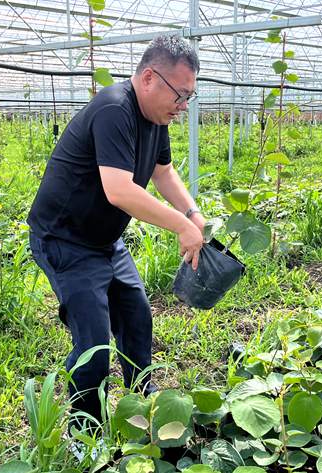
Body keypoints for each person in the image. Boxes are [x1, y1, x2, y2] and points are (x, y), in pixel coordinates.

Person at [27, 35, 206, 426]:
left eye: (189, 97)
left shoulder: (156, 118)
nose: (183, 106)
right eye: (179, 95)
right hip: (65, 239)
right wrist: (179, 225)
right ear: (148, 78)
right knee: (93, 343)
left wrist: (191, 212)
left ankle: (144, 406)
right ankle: (86, 432)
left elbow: (162, 172)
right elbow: (119, 190)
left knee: (136, 316)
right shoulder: (114, 109)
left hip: (105, 239)